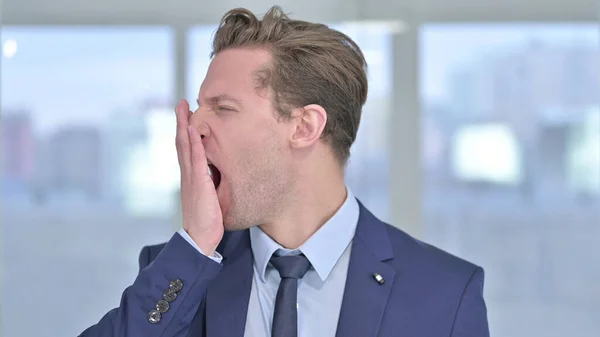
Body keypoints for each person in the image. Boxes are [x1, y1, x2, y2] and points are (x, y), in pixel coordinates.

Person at [79, 6, 489, 337]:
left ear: (304, 127)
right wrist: (196, 247)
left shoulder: (446, 294)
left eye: (222, 108)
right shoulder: (180, 275)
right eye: (199, 108)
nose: (193, 127)